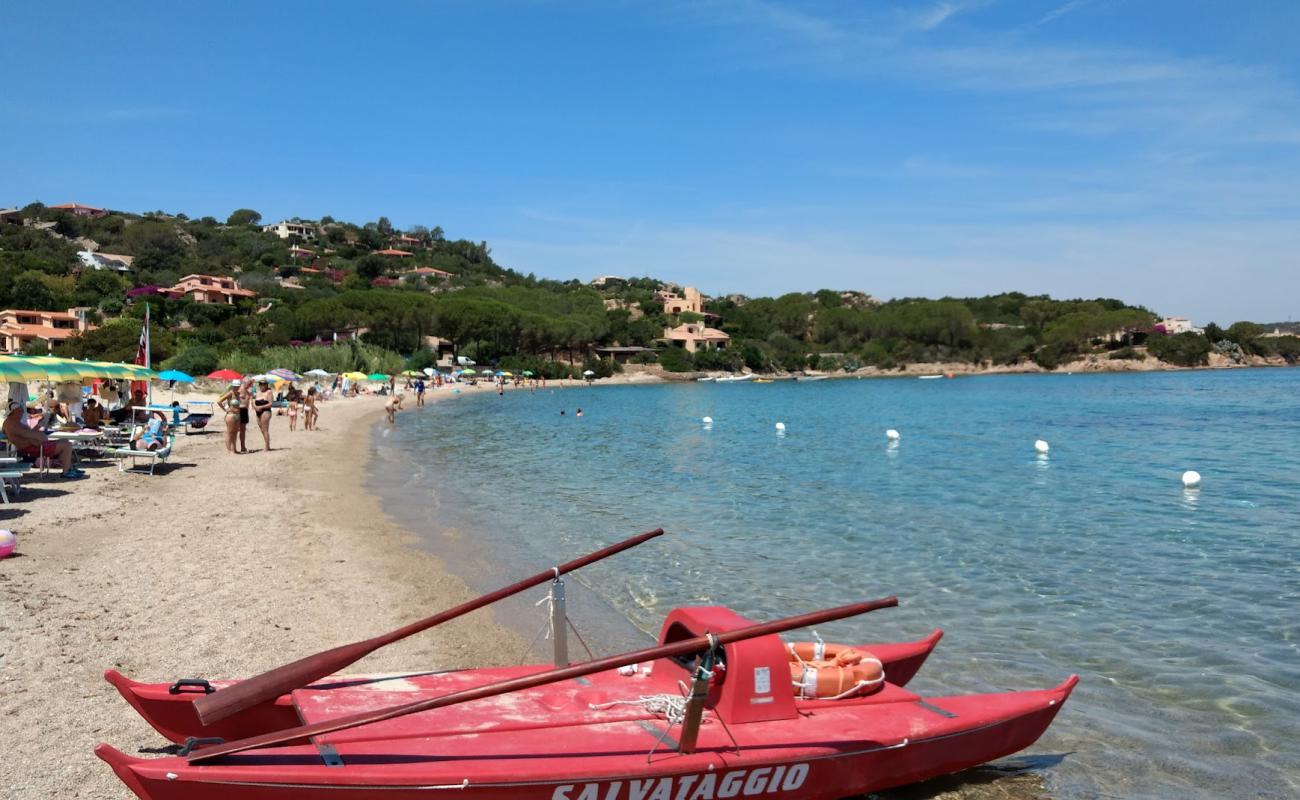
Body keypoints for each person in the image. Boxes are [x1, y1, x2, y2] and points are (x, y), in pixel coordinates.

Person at [3, 401, 83, 478]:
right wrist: (39, 433)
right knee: (66, 445)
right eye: (20, 410)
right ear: (13, 412)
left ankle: (69, 468)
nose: (22, 412)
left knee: (65, 441)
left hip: (32, 445)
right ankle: (66, 472)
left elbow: (29, 434)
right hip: (31, 448)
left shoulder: (14, 423)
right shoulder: (12, 424)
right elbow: (34, 436)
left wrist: (39, 425)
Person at [216, 380, 243, 455]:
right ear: (233, 386)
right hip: (230, 415)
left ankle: (234, 449)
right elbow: (219, 401)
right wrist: (225, 409)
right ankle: (229, 450)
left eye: (238, 386)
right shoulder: (230, 393)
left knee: (235, 432)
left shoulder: (238, 394)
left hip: (237, 415)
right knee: (229, 432)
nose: (237, 387)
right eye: (235, 386)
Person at [253, 379, 274, 451]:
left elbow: (271, 403)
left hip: (265, 411)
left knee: (265, 429)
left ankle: (267, 447)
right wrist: (255, 407)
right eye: (261, 384)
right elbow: (254, 402)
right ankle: (267, 444)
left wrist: (261, 407)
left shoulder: (269, 392)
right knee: (262, 429)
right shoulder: (258, 392)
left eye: (264, 384)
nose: (262, 385)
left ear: (266, 384)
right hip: (258, 412)